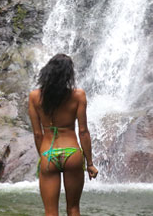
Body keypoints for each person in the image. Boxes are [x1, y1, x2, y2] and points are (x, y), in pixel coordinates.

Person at [28, 54, 98, 216]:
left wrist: (44, 158)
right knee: (73, 209)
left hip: (48, 153)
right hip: (72, 153)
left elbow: (38, 134)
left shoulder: (34, 97)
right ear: (69, 74)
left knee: (50, 211)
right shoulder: (78, 95)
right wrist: (89, 163)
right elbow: (83, 131)